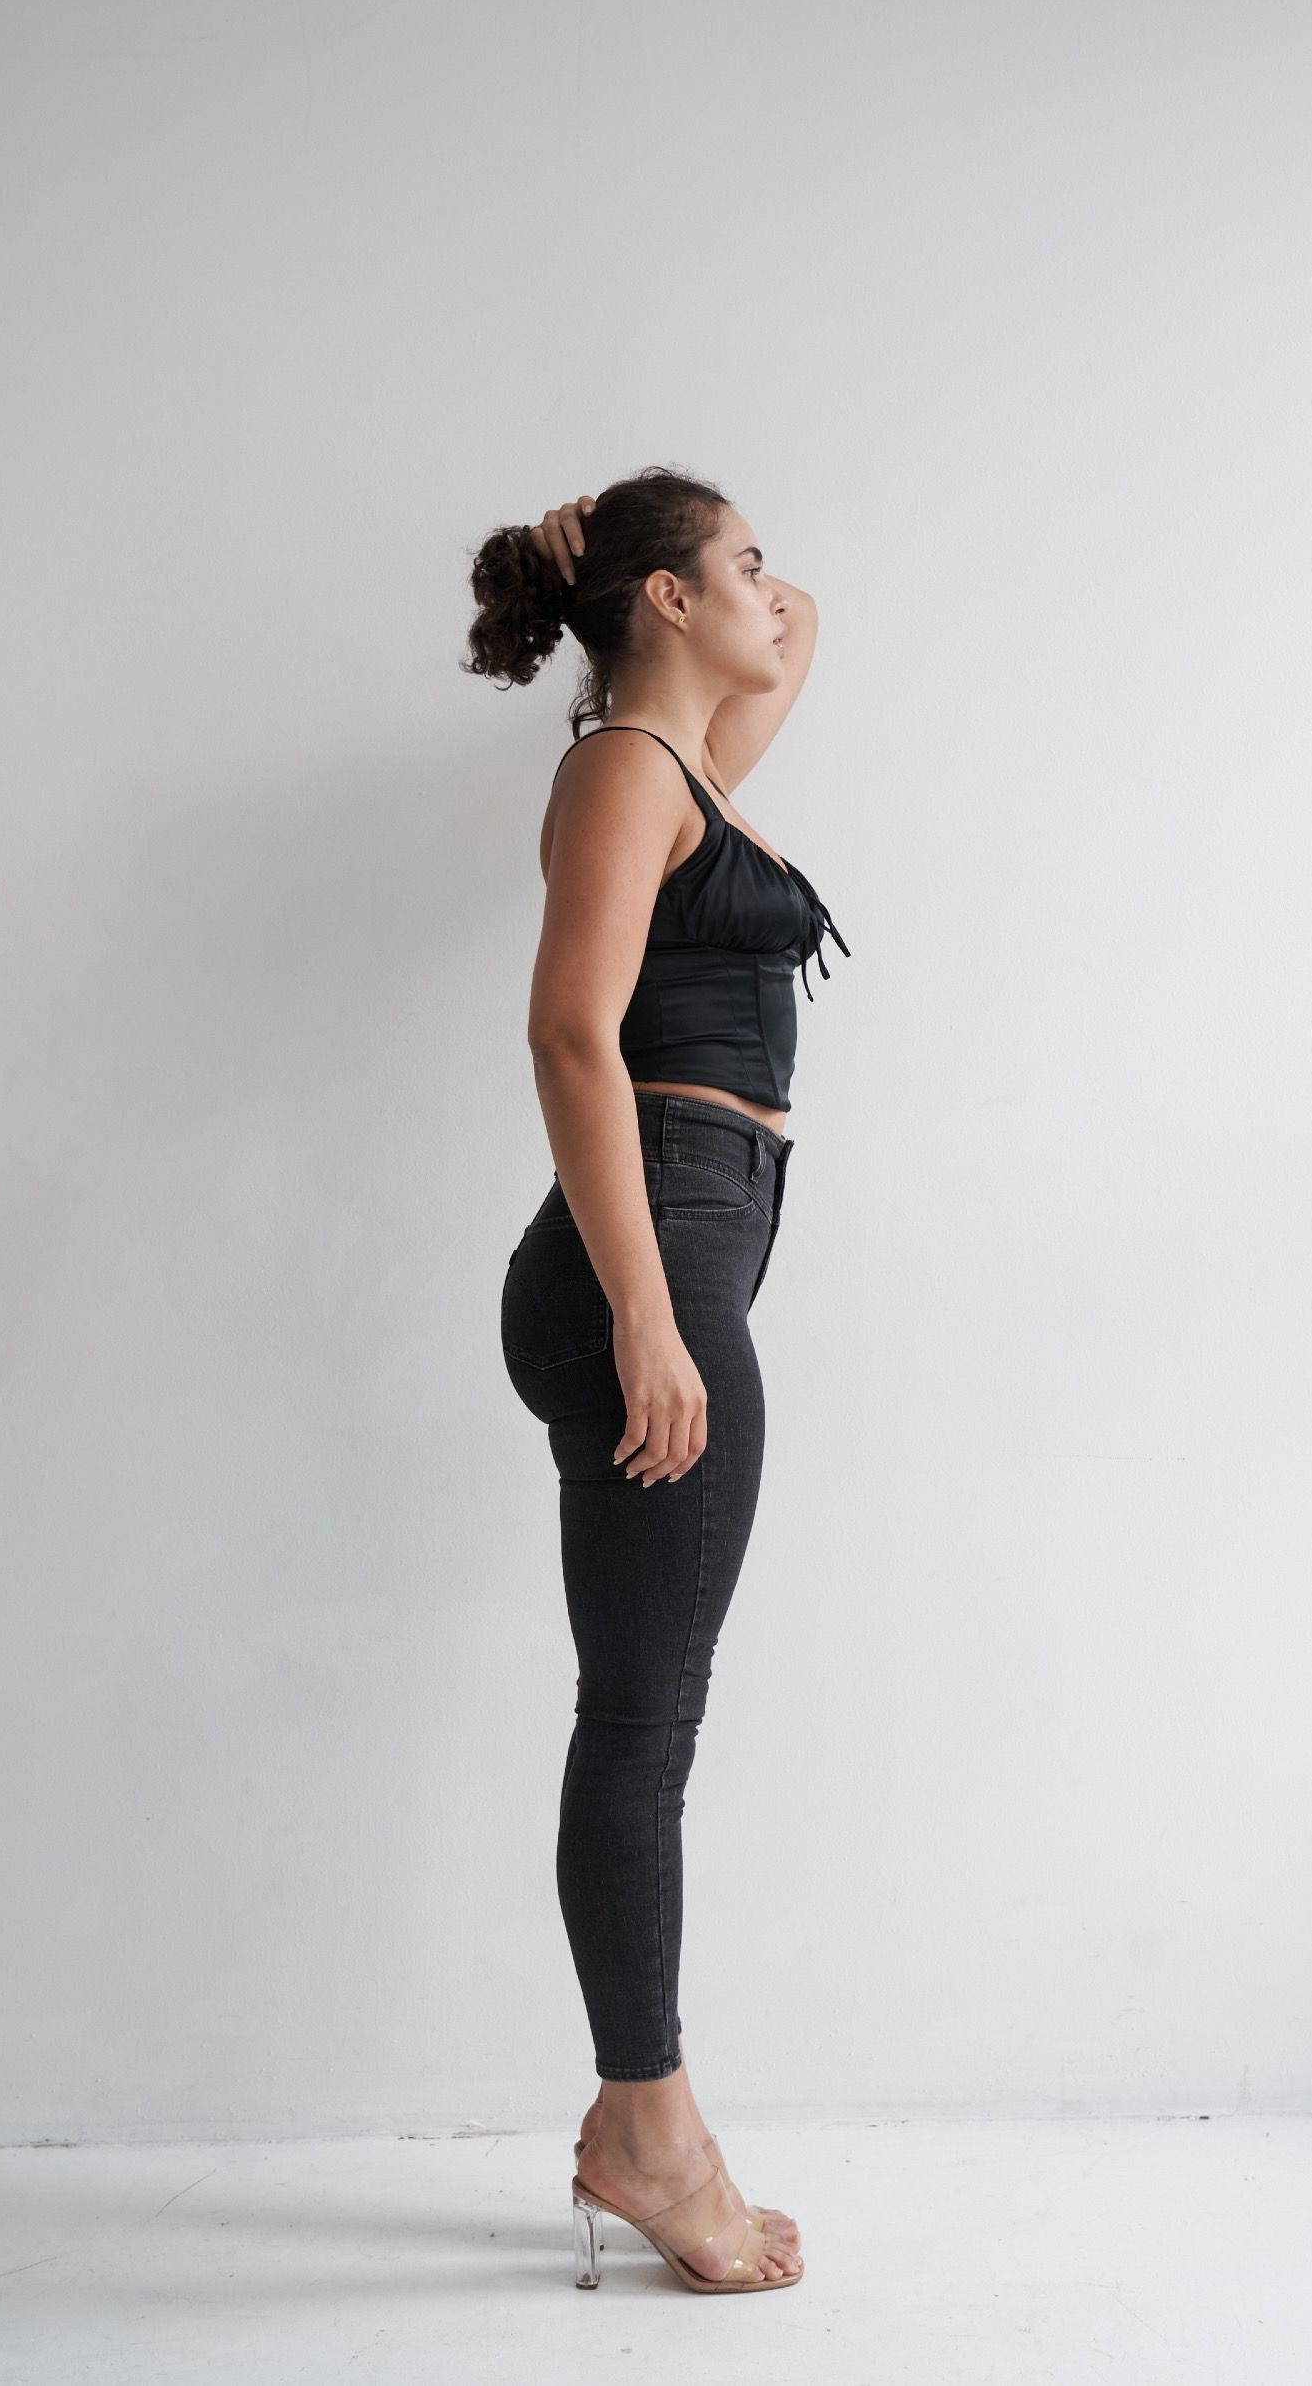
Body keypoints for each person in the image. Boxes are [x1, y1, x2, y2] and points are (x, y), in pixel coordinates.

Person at [463, 465, 851, 2295]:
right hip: (655, 1250)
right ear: (673, 603)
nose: (774, 587)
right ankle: (648, 2127)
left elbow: (800, 633)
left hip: (694, 1236)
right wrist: (643, 1313)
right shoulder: (623, 768)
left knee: (648, 1715)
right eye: (740, 564)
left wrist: (636, 566)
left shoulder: (681, 764)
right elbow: (568, 1030)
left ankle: (645, 2118)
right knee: (640, 1726)